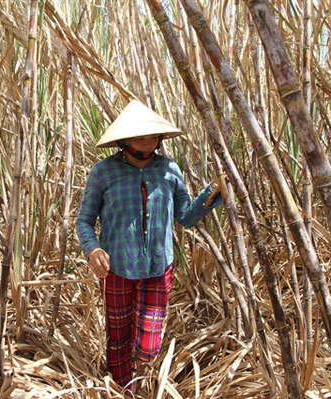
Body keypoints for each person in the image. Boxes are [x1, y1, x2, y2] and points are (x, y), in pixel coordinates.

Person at [76, 99, 223, 395]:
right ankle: (123, 389)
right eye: (139, 135)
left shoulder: (169, 169)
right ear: (123, 140)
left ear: (160, 138)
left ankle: (141, 368)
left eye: (152, 135)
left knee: (147, 345)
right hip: (117, 267)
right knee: (118, 336)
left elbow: (186, 217)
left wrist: (213, 192)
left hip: (158, 268)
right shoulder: (103, 172)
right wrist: (92, 250)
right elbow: (83, 221)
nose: (146, 140)